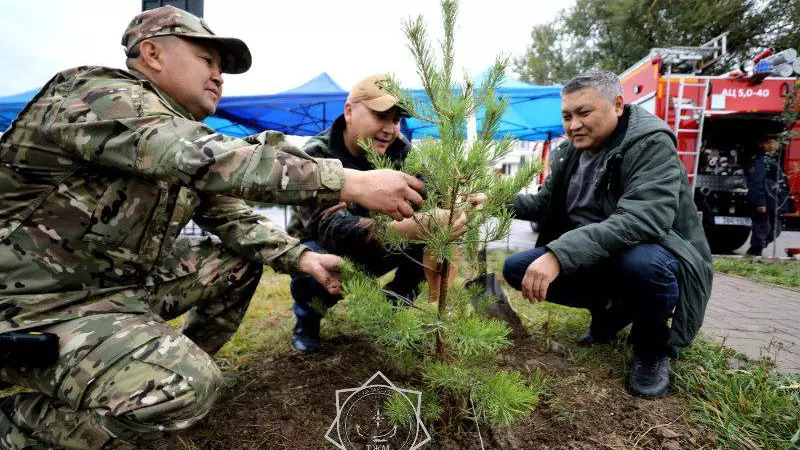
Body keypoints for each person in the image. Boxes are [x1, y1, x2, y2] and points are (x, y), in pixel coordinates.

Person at [0, 7, 425, 449]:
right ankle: (25, 428)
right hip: (34, 305)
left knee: (240, 262)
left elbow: (230, 216)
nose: (219, 77)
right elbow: (202, 156)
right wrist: (349, 181)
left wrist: (301, 256)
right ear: (152, 54)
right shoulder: (96, 97)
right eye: (208, 61)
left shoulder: (179, 133)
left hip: (114, 291)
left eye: (222, 69)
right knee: (188, 387)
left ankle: (154, 375)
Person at [501, 70, 713, 399]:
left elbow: (644, 219)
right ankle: (612, 312)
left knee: (643, 265)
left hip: (653, 251)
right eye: (567, 116)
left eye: (584, 113)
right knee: (517, 268)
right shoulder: (570, 154)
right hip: (600, 254)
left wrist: (558, 254)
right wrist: (493, 201)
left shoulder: (649, 143)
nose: (573, 125)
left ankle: (651, 348)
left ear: (617, 105)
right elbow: (544, 204)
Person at [286, 74, 468, 353]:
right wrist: (406, 228)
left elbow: (432, 197)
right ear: (349, 112)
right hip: (325, 249)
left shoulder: (402, 152)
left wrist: (458, 204)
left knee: (430, 238)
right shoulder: (316, 154)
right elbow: (330, 227)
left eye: (396, 120)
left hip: (378, 246)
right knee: (313, 270)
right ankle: (307, 321)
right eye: (381, 116)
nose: (389, 129)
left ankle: (393, 311)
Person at [745, 135, 790, 256]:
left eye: (774, 143)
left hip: (775, 201)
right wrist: (760, 203)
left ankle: (756, 250)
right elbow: (756, 183)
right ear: (761, 145)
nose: (772, 145)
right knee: (762, 229)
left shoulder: (776, 160)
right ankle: (754, 253)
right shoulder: (758, 161)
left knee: (776, 230)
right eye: (768, 143)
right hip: (764, 201)